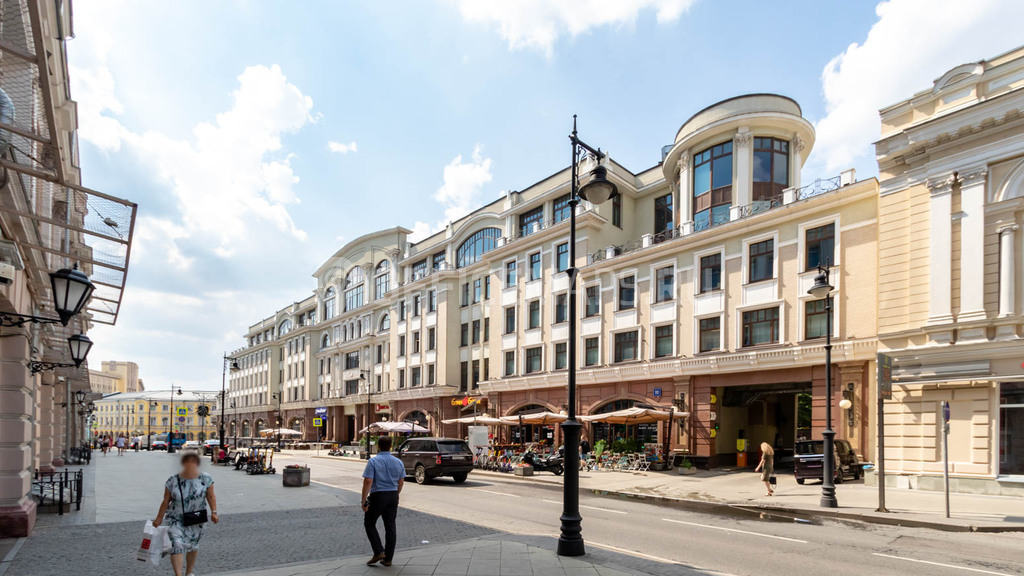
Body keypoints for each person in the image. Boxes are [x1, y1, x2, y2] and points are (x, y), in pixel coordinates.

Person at [154, 452, 218, 576]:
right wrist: (159, 518)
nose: (190, 465)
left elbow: (210, 496)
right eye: (187, 462)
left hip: (197, 519)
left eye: (193, 462)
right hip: (176, 519)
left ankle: (189, 573)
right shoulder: (172, 480)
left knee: (193, 545)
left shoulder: (206, 478)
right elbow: (166, 501)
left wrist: (214, 512)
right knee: (176, 544)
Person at [360, 435, 405, 567]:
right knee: (390, 526)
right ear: (390, 446)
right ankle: (388, 559)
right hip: (393, 495)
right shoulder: (398, 462)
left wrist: (363, 500)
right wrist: (396, 494)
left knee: (369, 523)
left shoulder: (373, 461)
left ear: (378, 447)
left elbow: (368, 481)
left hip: (378, 496)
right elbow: (401, 481)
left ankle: (378, 551)